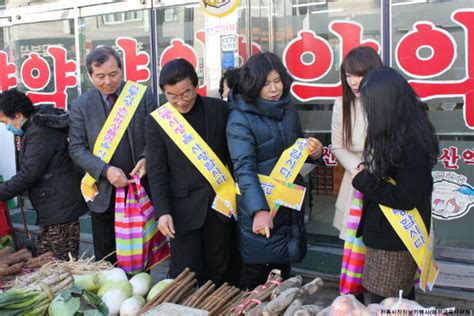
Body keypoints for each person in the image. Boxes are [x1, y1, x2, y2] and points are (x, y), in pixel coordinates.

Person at [226, 52, 323, 290]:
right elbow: (244, 169)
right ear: (253, 85)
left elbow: (297, 153)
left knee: (283, 276)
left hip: (287, 206)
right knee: (255, 276)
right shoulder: (239, 117)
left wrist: (314, 153)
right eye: (266, 83)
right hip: (260, 208)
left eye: (277, 81)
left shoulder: (287, 109)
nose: (273, 89)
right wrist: (259, 210)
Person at [352, 67, 439, 303]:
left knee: (388, 300)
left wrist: (362, 179)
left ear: (385, 105)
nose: (367, 110)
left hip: (395, 237)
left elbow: (405, 197)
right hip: (387, 231)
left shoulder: (412, 141)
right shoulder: (397, 129)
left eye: (370, 105)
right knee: (397, 298)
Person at [145, 58, 233, 286]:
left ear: (195, 85)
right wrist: (162, 211)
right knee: (185, 275)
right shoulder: (157, 121)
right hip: (182, 212)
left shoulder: (220, 110)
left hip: (220, 206)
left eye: (185, 94)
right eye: (171, 96)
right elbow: (157, 170)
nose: (180, 102)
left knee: (220, 270)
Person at [69, 46, 157, 263]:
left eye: (113, 74)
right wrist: (106, 170)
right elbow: (76, 148)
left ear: (122, 70)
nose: (107, 81)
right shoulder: (81, 105)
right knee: (107, 258)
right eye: (100, 76)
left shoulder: (141, 96)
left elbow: (156, 136)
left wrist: (146, 158)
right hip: (104, 193)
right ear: (90, 76)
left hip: (139, 189)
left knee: (141, 254)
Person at [0, 89, 87, 260]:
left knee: (59, 265)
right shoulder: (35, 127)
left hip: (60, 208)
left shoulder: (39, 132)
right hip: (54, 207)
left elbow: (28, 175)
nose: (6, 127)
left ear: (17, 115)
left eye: (5, 122)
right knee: (47, 262)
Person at [331, 46, 383, 240]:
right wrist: (360, 168)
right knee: (355, 243)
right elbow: (337, 146)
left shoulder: (388, 101)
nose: (352, 82)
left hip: (387, 178)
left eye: (358, 75)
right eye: (348, 76)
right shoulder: (342, 104)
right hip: (357, 178)